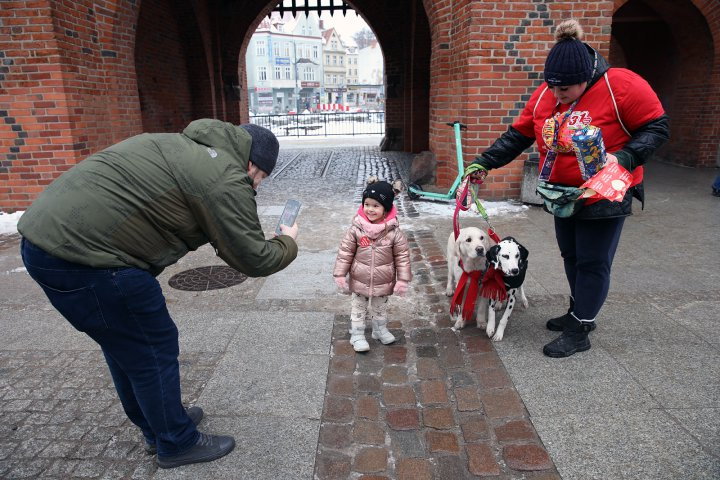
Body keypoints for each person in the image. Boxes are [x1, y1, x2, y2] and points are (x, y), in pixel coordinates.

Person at [17, 120, 299, 468]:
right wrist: (288, 239)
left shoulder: (182, 145)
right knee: (151, 346)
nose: (256, 186)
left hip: (47, 243)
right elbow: (254, 258)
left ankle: (160, 424)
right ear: (254, 164)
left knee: (126, 343)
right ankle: (175, 441)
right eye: (261, 180)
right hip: (87, 260)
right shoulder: (224, 175)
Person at [470, 19, 669, 357]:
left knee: (593, 262)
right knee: (572, 256)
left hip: (605, 191)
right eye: (553, 87)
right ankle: (579, 313)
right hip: (563, 194)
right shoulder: (544, 96)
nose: (558, 95)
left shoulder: (621, 85)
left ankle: (580, 330)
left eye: (567, 88)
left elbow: (657, 127)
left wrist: (625, 156)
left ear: (586, 77)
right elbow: (518, 135)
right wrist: (485, 162)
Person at [333, 180, 412, 352]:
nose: (370, 209)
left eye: (376, 206)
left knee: (380, 307)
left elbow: (402, 256)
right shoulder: (356, 229)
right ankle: (357, 334)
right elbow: (345, 252)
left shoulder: (394, 232)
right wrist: (340, 274)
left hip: (383, 280)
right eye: (367, 204)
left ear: (386, 208)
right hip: (360, 279)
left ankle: (379, 330)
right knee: (358, 307)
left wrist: (403, 280)